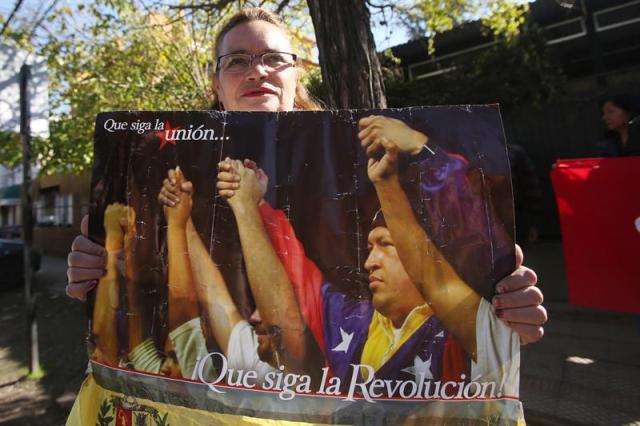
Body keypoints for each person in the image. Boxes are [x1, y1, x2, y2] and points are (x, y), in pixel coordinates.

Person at [66, 7, 545, 360]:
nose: (256, 71)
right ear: (215, 82)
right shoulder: (183, 173)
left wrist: (502, 305)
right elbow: (152, 300)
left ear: (298, 74)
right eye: (236, 61)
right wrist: (103, 265)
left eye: (273, 58)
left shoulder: (366, 156)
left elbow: (454, 251)